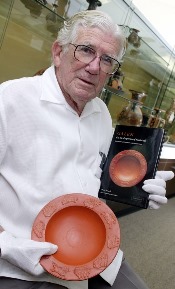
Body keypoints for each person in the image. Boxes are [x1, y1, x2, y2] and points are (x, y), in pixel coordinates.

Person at [0, 9, 173, 289]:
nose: (94, 67)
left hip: (95, 252)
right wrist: (7, 245)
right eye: (85, 50)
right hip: (25, 263)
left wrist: (140, 188)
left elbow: (103, 177)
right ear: (58, 52)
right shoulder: (10, 100)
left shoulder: (101, 113)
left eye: (107, 60)